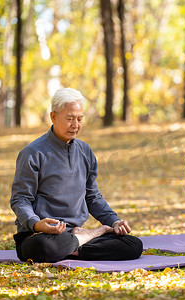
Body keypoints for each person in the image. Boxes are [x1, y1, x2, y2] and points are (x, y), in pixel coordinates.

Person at [10, 88, 143, 263]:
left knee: (133, 245)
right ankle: (92, 235)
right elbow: (20, 199)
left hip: (74, 232)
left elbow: (92, 197)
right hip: (41, 235)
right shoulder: (32, 153)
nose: (75, 125)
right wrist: (35, 223)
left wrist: (114, 222)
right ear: (53, 117)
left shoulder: (85, 151)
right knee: (41, 247)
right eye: (70, 118)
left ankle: (74, 245)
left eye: (80, 119)